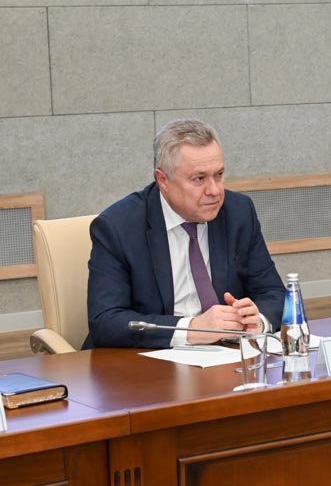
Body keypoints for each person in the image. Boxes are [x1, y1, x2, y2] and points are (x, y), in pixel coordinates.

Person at [85, 119, 284, 348]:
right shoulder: (118, 227)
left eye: (219, 175)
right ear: (163, 180)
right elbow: (106, 321)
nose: (214, 190)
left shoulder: (238, 212)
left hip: (227, 355)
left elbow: (274, 293)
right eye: (199, 179)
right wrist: (191, 329)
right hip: (148, 360)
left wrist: (257, 320)